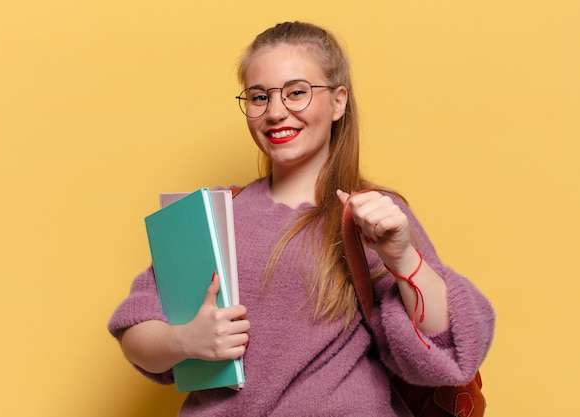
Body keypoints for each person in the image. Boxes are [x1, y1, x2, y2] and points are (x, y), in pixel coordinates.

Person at [108, 21, 495, 416]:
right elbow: (136, 330)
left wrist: (403, 258)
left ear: (339, 101)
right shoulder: (209, 213)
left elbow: (444, 349)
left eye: (297, 93)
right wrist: (185, 341)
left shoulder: (371, 215)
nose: (276, 112)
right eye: (259, 97)